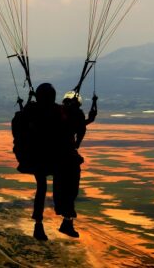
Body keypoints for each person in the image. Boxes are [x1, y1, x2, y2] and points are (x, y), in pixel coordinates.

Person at [23, 83, 64, 241]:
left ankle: (38, 224)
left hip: (38, 157)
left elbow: (23, 119)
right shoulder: (58, 110)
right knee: (59, 183)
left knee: (42, 188)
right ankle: (65, 216)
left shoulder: (32, 109)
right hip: (52, 157)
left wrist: (29, 100)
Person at [54, 91, 97, 238]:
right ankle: (67, 222)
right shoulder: (68, 117)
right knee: (70, 188)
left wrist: (88, 119)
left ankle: (67, 221)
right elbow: (78, 129)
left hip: (57, 158)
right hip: (66, 158)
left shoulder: (57, 113)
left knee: (62, 188)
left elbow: (77, 125)